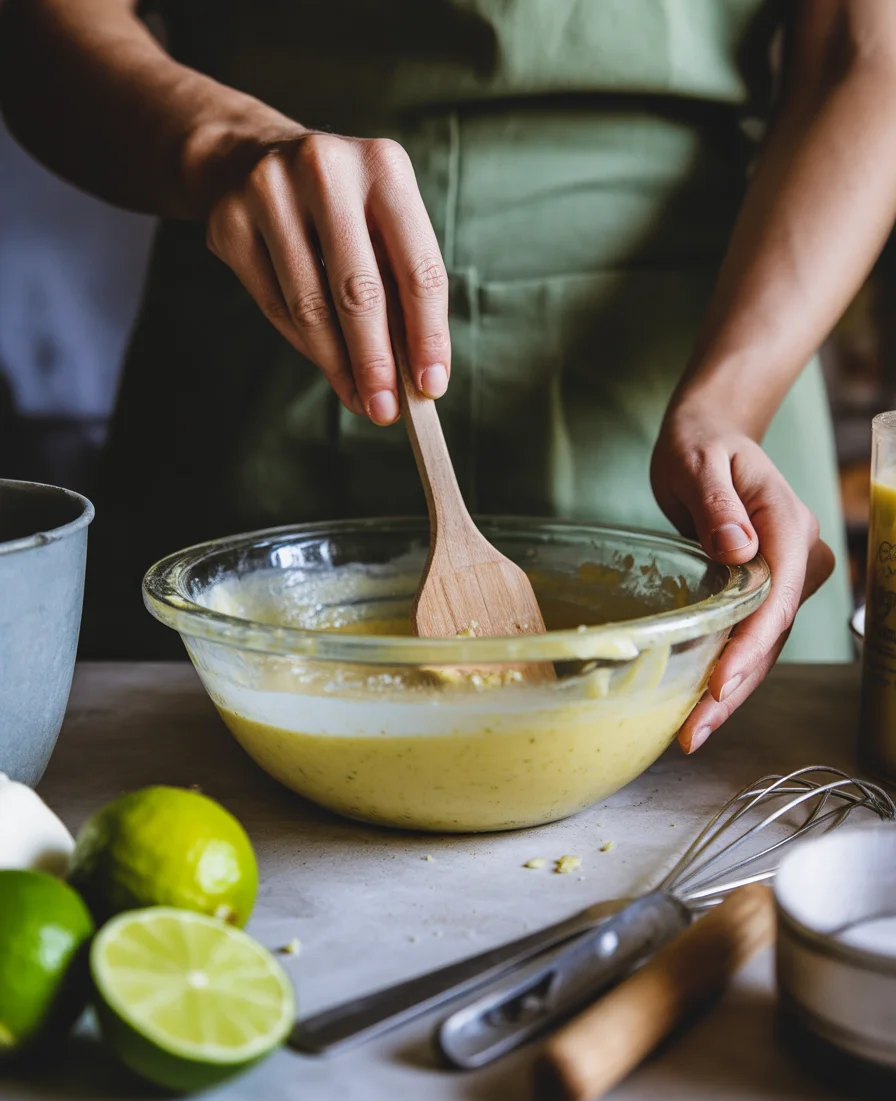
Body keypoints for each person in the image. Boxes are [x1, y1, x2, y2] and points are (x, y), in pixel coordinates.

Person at [1, 0, 892, 754]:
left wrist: (728, 403)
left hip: (708, 335)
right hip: (266, 318)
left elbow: (868, 56)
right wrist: (221, 144)